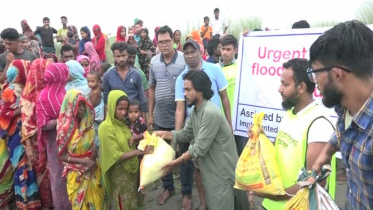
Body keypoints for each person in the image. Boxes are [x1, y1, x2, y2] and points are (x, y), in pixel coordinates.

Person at [243, 59, 335, 209]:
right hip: (273, 205)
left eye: (285, 84)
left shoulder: (319, 124)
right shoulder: (290, 113)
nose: (280, 89)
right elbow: (282, 151)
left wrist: (268, 193)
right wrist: (261, 138)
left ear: (301, 87)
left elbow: (313, 184)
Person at [310, 20, 373, 210]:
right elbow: (343, 126)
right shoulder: (347, 105)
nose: (314, 82)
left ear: (337, 75)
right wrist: (327, 152)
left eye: (315, 73)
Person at [155, 70, 240, 210]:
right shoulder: (196, 110)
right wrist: (163, 134)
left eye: (188, 90)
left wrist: (174, 163)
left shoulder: (210, 113)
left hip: (222, 174)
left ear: (200, 91)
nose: (184, 94)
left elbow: (199, 148)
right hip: (212, 172)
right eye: (184, 90)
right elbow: (186, 134)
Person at [174, 40, 232, 210]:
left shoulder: (214, 69)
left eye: (193, 52)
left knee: (219, 166)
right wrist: (177, 136)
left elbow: (225, 98)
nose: (190, 56)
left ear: (201, 52)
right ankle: (203, 202)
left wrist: (229, 124)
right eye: (186, 53)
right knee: (199, 167)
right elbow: (180, 109)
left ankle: (223, 202)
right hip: (196, 127)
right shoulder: (181, 78)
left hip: (215, 128)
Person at [147, 25, 189, 208]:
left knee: (184, 155)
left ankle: (186, 192)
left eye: (167, 41)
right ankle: (168, 187)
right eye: (160, 42)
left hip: (183, 118)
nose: (164, 45)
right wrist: (150, 114)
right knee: (162, 156)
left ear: (173, 41)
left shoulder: (183, 60)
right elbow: (151, 88)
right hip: (160, 118)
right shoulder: (154, 62)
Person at [98, 90, 152, 209]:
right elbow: (116, 156)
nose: (123, 113)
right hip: (120, 175)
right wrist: (141, 152)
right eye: (120, 109)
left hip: (132, 170)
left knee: (134, 202)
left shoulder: (123, 123)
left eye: (125, 109)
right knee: (124, 203)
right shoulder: (105, 128)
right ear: (112, 107)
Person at [0, 60, 42, 209]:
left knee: (29, 165)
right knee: (21, 166)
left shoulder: (27, 88)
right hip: (15, 135)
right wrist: (23, 108)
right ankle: (24, 201)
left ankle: (30, 200)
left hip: (25, 133)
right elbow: (4, 114)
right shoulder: (9, 91)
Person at [56, 89, 105, 209]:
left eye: (84, 104)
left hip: (93, 169)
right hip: (76, 174)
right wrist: (84, 161)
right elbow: (61, 156)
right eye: (79, 105)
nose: (82, 108)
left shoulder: (87, 123)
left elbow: (93, 144)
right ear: (71, 106)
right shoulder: (64, 128)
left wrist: (92, 155)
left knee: (98, 202)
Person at [36, 63, 71, 210]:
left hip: (71, 140)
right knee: (59, 178)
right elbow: (42, 124)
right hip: (55, 143)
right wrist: (62, 120)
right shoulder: (44, 97)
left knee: (72, 174)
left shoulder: (63, 90)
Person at [21, 58, 54, 209]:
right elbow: (26, 123)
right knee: (41, 171)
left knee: (52, 170)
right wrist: (28, 145)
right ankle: (46, 203)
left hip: (51, 137)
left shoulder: (50, 90)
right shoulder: (28, 94)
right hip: (36, 141)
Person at [103, 42, 147, 121]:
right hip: (116, 118)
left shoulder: (136, 74)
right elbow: (106, 101)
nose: (121, 59)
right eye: (118, 56)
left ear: (127, 55)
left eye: (123, 55)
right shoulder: (108, 76)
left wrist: (144, 119)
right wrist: (107, 120)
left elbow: (141, 98)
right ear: (114, 56)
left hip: (133, 118)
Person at [219, 35, 246, 154]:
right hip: (222, 121)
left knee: (242, 154)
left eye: (228, 49)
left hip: (241, 121)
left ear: (236, 50)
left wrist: (247, 36)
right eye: (223, 49)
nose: (225, 52)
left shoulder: (241, 66)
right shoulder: (215, 69)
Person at [87, 70, 104, 149]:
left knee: (96, 136)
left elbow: (91, 105)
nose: (90, 83)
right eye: (88, 81)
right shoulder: (93, 89)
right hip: (96, 115)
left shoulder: (95, 92)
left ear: (98, 82)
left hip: (96, 117)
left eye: (92, 81)